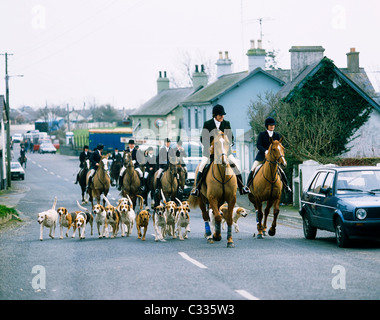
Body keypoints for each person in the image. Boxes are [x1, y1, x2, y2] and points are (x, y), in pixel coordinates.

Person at [190, 104, 250, 197]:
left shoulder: (226, 124)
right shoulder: (208, 124)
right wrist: (209, 146)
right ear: (215, 115)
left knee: (235, 164)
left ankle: (242, 187)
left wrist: (229, 142)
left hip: (225, 152)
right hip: (210, 153)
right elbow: (203, 138)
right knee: (202, 165)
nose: (222, 116)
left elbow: (231, 137)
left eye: (223, 115)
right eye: (220, 115)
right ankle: (197, 189)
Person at [244, 117, 291, 193]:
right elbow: (258, 145)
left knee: (281, 171)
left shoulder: (277, 135)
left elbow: (279, 146)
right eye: (270, 125)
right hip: (262, 156)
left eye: (273, 125)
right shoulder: (262, 134)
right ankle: (247, 186)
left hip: (273, 159)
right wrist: (265, 151)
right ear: (267, 126)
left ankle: (287, 186)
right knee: (253, 169)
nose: (272, 126)